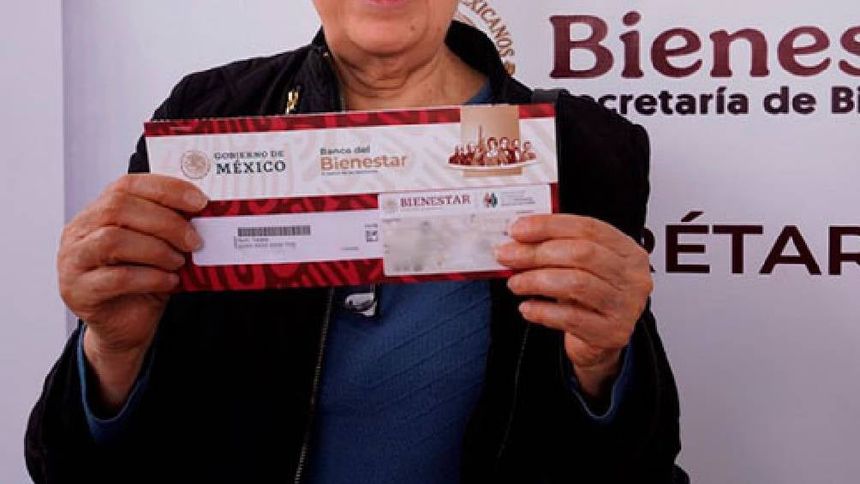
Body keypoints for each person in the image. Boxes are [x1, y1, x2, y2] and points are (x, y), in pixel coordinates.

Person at [26, 1, 685, 483]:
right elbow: (71, 467)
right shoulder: (206, 118)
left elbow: (641, 463)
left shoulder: (583, 149)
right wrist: (112, 350)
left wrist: (604, 364)